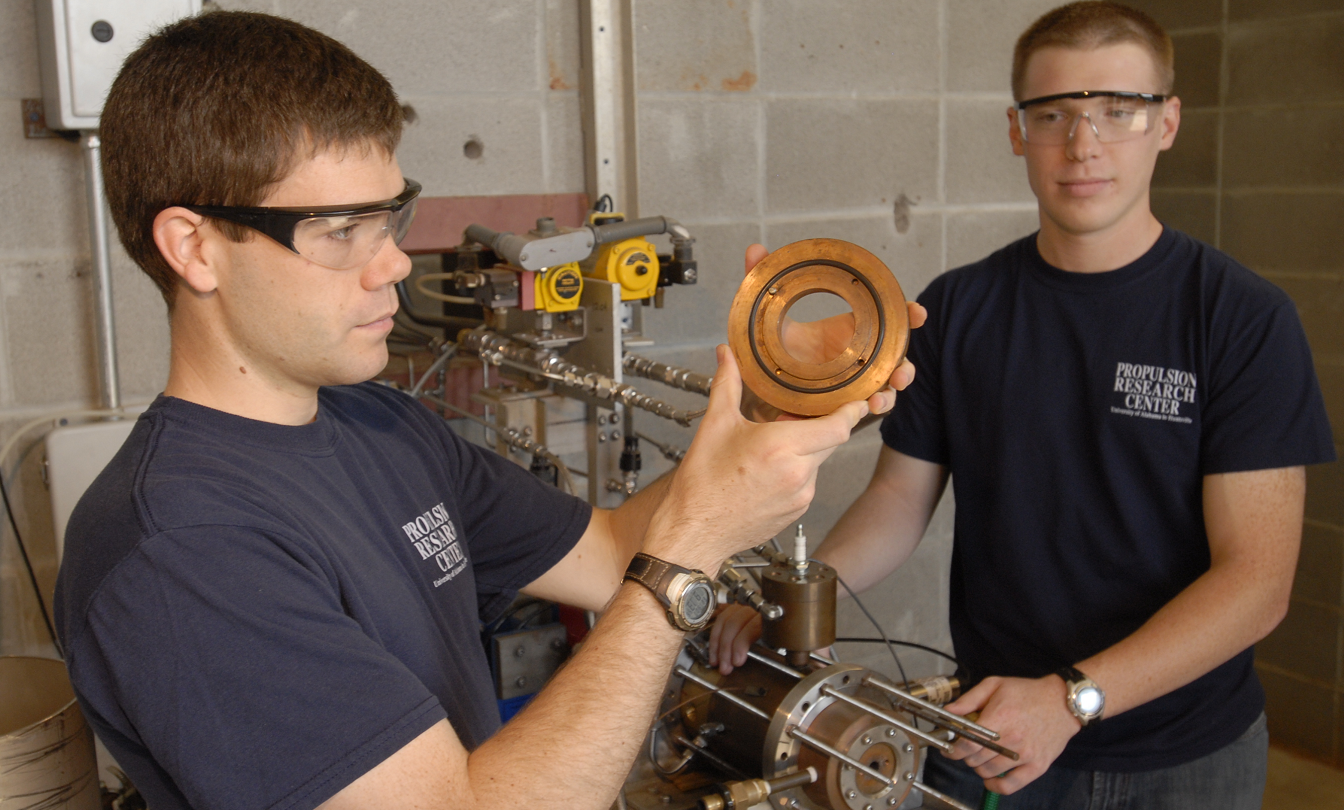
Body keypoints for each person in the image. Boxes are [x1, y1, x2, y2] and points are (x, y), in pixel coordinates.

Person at [52, 11, 922, 810]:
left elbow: (614, 553)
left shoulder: (382, 426)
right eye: (341, 231)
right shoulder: (181, 549)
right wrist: (691, 553)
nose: (392, 263)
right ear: (194, 247)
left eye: (391, 218)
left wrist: (778, 395)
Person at [710, 2, 1335, 808]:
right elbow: (900, 499)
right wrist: (803, 596)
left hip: (1186, 756)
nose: (1084, 144)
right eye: (1054, 114)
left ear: (1168, 122)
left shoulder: (1240, 318)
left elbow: (1256, 582)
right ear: (1017, 130)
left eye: (1119, 110)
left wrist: (1074, 697)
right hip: (1001, 742)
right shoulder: (962, 308)